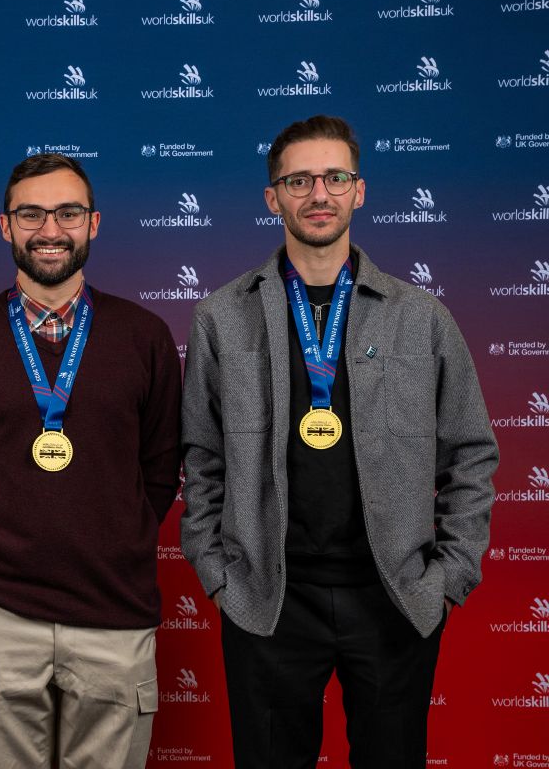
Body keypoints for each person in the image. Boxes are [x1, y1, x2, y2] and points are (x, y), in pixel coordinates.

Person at [180, 114, 499, 768]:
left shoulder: (422, 316)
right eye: (298, 180)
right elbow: (202, 455)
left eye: (334, 177)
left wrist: (448, 576)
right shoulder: (220, 317)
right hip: (268, 599)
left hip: (392, 599)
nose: (317, 193)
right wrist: (219, 575)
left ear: (360, 191)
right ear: (274, 197)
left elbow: (471, 448)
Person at [0, 152, 182, 768]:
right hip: (1, 614)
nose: (50, 230)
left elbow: (160, 470)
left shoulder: (145, 336)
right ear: (5, 226)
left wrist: (113, 536)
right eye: (31, 214)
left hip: (114, 613)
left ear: (94, 223)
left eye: (68, 213)